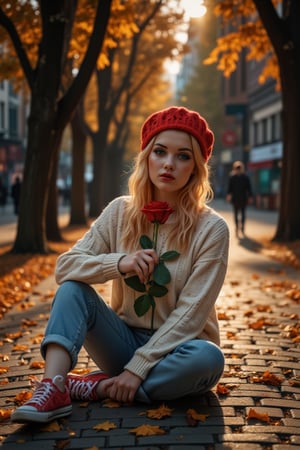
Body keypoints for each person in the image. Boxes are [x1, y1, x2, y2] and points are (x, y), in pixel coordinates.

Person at [12, 106, 229, 424]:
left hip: (181, 351)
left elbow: (191, 315)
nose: (169, 163)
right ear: (146, 157)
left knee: (209, 358)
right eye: (160, 152)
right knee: (73, 290)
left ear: (196, 168)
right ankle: (55, 387)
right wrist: (120, 263)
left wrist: (137, 369)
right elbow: (65, 267)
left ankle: (101, 388)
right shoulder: (119, 212)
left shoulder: (212, 229)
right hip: (122, 341)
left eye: (183, 156)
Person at [226, 161, 253, 237]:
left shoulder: (245, 177)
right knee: (236, 214)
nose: (238, 170)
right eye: (237, 168)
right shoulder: (232, 178)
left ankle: (243, 228)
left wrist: (250, 196)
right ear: (234, 169)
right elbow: (230, 188)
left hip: (243, 199)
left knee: (243, 214)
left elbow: (249, 188)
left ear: (242, 169)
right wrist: (228, 196)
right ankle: (237, 228)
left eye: (239, 168)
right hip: (235, 199)